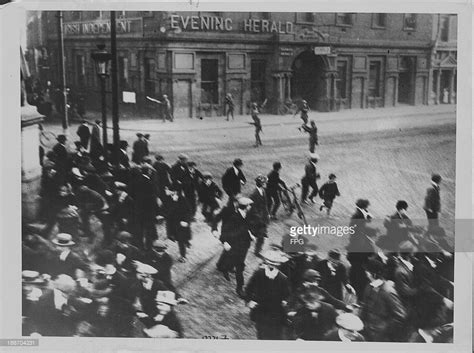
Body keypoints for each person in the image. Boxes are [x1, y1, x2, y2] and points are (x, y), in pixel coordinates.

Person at [245, 250, 290, 340]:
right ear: (266, 262)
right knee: (260, 329)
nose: (271, 265)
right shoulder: (259, 273)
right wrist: (249, 301)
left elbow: (287, 293)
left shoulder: (283, 278)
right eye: (269, 262)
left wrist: (285, 301)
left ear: (278, 264)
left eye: (274, 263)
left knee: (273, 332)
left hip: (274, 310)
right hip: (259, 307)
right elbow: (249, 288)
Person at [360, 259, 408, 342]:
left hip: (382, 336)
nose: (365, 273)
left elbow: (401, 316)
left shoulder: (388, 291)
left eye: (367, 271)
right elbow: (366, 306)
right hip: (368, 331)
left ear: (373, 274)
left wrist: (384, 329)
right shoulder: (369, 286)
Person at [218, 197, 255, 297]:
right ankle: (239, 288)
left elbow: (246, 227)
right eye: (249, 205)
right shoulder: (234, 217)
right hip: (235, 246)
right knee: (240, 266)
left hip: (244, 245)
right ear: (246, 207)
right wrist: (224, 242)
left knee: (234, 262)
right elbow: (225, 231)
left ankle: (224, 268)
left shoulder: (246, 215)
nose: (250, 207)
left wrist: (250, 234)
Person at [346, 199, 378, 299]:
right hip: (358, 252)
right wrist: (370, 232)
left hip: (357, 251)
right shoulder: (357, 216)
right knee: (358, 276)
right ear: (364, 206)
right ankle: (359, 295)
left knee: (357, 274)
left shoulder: (362, 213)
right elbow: (358, 230)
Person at [163, 186, 192, 263]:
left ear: (175, 192)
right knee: (175, 237)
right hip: (172, 224)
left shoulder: (183, 199)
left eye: (170, 191)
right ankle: (186, 242)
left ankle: (183, 256)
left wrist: (186, 221)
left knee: (181, 240)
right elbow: (166, 211)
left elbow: (188, 211)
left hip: (181, 224)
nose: (168, 192)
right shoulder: (168, 199)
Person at [248, 175, 270, 257]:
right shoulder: (254, 194)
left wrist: (267, 213)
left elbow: (265, 204)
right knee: (251, 235)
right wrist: (259, 217)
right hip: (255, 219)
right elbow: (252, 208)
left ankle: (257, 251)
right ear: (261, 183)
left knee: (262, 235)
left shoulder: (263, 191)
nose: (266, 184)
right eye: (265, 183)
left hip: (262, 217)